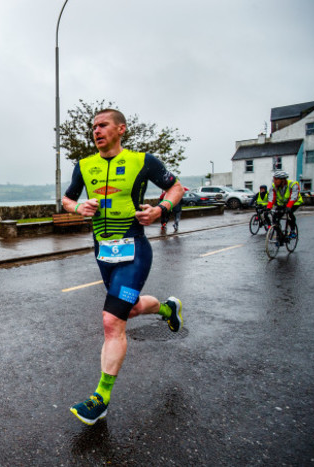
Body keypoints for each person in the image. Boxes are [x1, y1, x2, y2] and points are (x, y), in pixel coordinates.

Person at [62, 108, 185, 426]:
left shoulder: (143, 161)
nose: (96, 130)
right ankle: (168, 310)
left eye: (102, 125)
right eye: (93, 127)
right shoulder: (84, 166)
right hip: (103, 255)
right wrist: (78, 207)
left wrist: (160, 209)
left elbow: (176, 187)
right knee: (127, 311)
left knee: (111, 321)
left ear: (121, 129)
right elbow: (66, 199)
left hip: (134, 252)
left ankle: (100, 399)